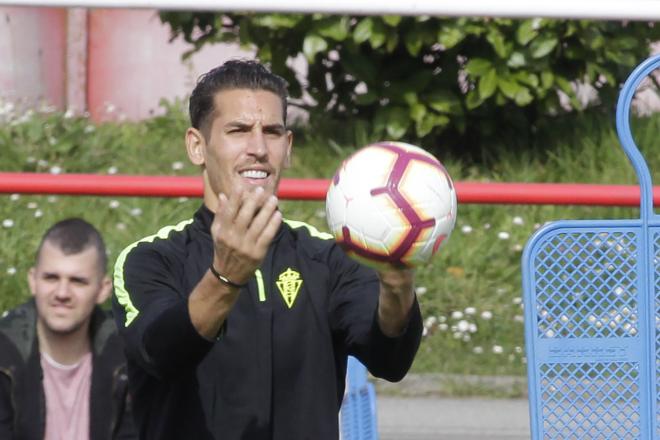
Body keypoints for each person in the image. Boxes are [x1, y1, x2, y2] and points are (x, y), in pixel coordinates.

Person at [112, 59, 423, 439]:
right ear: (197, 146)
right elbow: (160, 353)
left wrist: (397, 286)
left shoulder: (328, 257)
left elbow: (390, 359)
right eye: (239, 130)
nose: (258, 148)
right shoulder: (150, 259)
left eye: (272, 132)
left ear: (288, 147)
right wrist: (225, 278)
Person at [0, 218, 136, 440]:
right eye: (51, 278)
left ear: (103, 290)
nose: (62, 293)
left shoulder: (128, 357)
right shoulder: (4, 354)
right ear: (33, 280)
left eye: (78, 281)